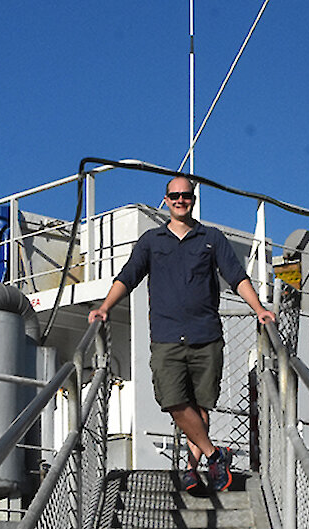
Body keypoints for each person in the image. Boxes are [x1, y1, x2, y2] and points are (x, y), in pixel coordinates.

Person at [88, 176, 276, 490]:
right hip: (166, 336)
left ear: (193, 199)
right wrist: (105, 307)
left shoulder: (211, 238)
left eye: (185, 196)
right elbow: (128, 276)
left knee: (201, 406)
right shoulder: (151, 241)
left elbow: (236, 276)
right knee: (174, 401)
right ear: (166, 200)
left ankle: (194, 470)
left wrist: (259, 309)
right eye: (174, 195)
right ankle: (216, 457)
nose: (180, 200)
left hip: (206, 335)